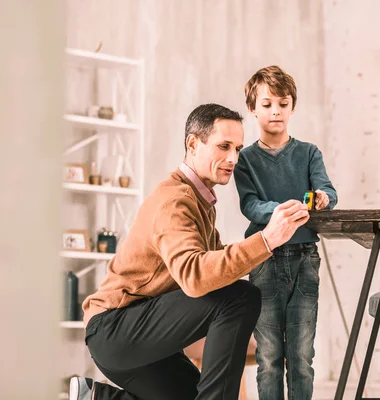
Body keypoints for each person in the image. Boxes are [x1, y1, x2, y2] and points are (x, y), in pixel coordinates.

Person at [69, 103, 310, 400]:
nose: (233, 158)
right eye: (223, 146)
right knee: (240, 297)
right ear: (193, 144)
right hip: (117, 330)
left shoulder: (198, 200)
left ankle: (97, 397)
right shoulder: (175, 200)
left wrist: (276, 242)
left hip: (136, 338)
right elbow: (195, 277)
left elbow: (216, 261)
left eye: (237, 148)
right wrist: (266, 240)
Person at [233, 66, 338, 400]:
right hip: (264, 258)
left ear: (293, 107)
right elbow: (250, 205)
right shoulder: (244, 159)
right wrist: (279, 211)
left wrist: (323, 198)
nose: (275, 110)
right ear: (253, 109)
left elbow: (328, 192)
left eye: (283, 103)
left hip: (305, 258)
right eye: (266, 104)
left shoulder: (309, 153)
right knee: (268, 356)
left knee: (302, 357)